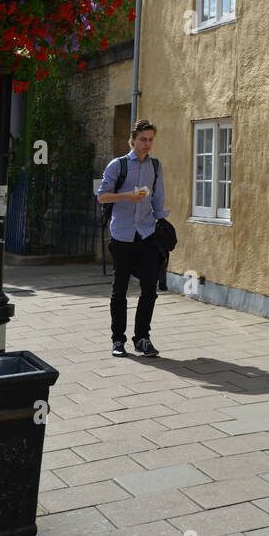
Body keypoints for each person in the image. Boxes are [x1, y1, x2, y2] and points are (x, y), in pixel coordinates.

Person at [96, 118, 167, 358]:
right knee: (120, 290)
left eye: (150, 140)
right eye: (143, 140)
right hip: (123, 234)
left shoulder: (155, 166)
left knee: (150, 288)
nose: (147, 144)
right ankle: (118, 340)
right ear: (133, 141)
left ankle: (142, 338)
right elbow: (102, 196)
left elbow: (158, 197)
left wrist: (161, 223)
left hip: (147, 234)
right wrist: (127, 195)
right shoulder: (118, 165)